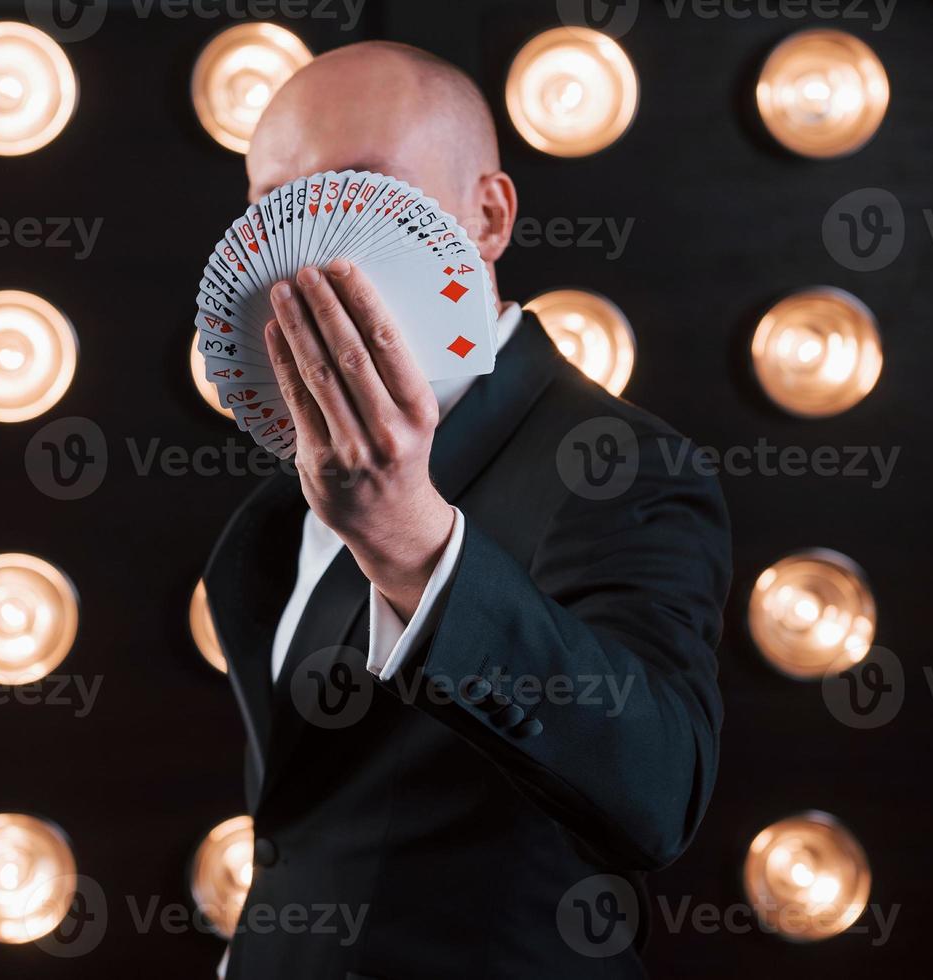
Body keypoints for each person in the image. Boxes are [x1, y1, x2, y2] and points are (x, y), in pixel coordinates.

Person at [203, 40, 731, 979]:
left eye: (364, 186)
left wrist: (411, 539)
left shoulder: (624, 466)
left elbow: (657, 792)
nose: (314, 237)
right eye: (276, 207)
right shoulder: (282, 496)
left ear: (487, 216)